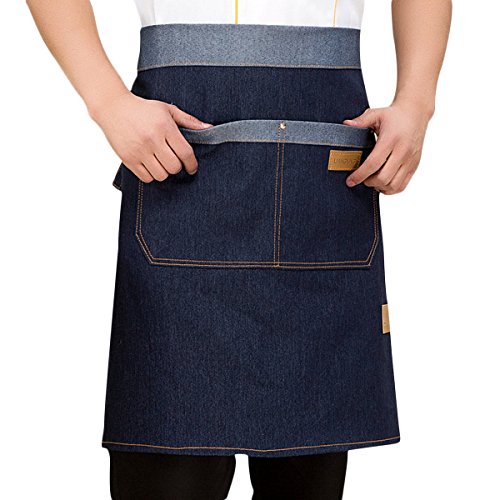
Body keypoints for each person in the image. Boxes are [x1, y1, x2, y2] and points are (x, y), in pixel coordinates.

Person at [26, 1, 452, 498]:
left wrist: (417, 103)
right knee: (168, 473)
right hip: (181, 160)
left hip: (317, 186)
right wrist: (106, 100)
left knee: (307, 481)